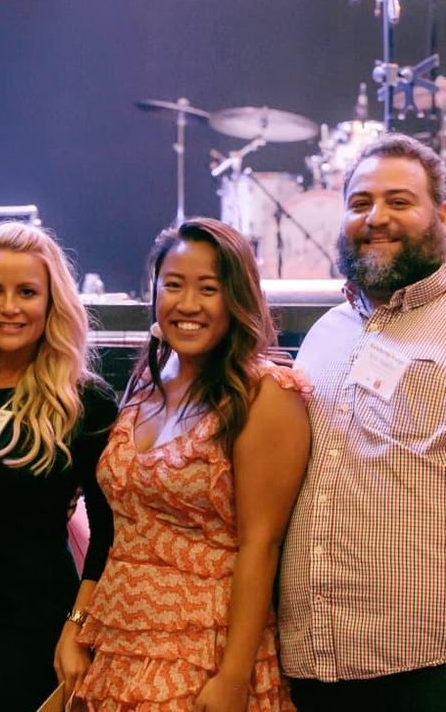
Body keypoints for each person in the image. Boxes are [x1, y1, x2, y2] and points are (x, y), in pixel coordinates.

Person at [278, 134, 446, 711]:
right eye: (360, 203)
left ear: (444, 214)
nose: (376, 217)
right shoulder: (324, 334)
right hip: (319, 668)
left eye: (399, 201)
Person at [74, 218, 310, 711]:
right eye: (174, 285)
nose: (187, 304)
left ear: (236, 298)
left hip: (204, 648)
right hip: (120, 639)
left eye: (208, 288)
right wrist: (80, 625)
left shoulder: (265, 394)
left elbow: (261, 545)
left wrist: (233, 677)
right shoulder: (149, 380)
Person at [0, 221, 118, 711]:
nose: (8, 307)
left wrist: (77, 627)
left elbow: (110, 533)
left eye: (26, 292)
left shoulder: (84, 403)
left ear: (52, 302)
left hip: (40, 629)